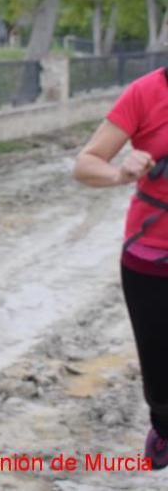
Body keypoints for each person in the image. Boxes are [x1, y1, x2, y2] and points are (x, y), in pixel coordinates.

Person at [73, 66, 168, 470]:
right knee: (161, 373)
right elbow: (85, 163)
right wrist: (120, 173)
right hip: (151, 257)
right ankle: (163, 427)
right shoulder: (145, 93)